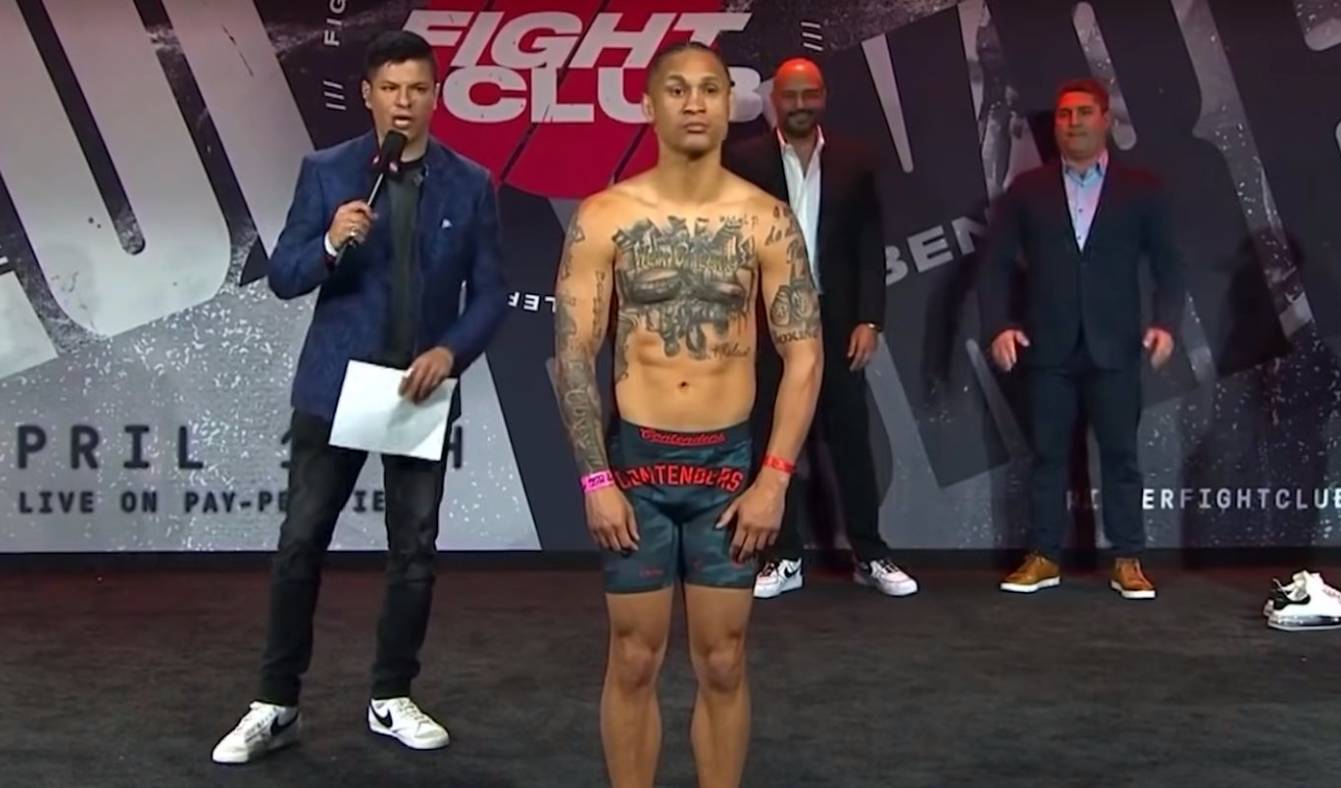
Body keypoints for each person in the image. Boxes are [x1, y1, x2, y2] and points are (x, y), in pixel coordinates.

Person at [212, 31, 507, 763]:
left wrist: (450, 351)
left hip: (417, 391)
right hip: (335, 387)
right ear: (369, 95)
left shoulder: (470, 183)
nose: (404, 103)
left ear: (435, 97)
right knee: (301, 542)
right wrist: (328, 243)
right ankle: (275, 703)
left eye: (418, 90)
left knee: (414, 550)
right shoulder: (328, 172)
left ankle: (391, 694)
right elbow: (284, 276)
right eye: (391, 89)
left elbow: (491, 293)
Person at [551, 40, 823, 788]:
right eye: (678, 90)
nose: (695, 102)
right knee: (633, 657)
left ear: (730, 104)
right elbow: (572, 355)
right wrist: (596, 481)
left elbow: (804, 355)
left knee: (724, 660)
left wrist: (774, 479)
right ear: (649, 105)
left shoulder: (765, 220)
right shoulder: (606, 216)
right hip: (635, 466)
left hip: (728, 470)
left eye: (709, 89)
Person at [979, 78, 1184, 599]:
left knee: (1120, 456)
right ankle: (1044, 556)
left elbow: (1169, 266)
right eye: (1065, 114)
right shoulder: (1027, 190)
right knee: (1047, 456)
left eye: (1084, 113)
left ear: (1106, 120)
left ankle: (1128, 558)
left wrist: (1166, 323)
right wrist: (999, 325)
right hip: (1046, 346)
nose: (1073, 123)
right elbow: (995, 265)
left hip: (1115, 346)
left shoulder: (1142, 189)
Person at [725, 57, 917, 599]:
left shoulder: (855, 161)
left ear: (823, 96)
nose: (800, 105)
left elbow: (869, 248)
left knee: (851, 439)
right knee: (770, 437)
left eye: (809, 94)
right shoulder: (743, 161)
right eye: (790, 96)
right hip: (769, 322)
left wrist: (870, 318)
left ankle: (870, 553)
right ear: (774, 101)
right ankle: (782, 556)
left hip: (836, 322)